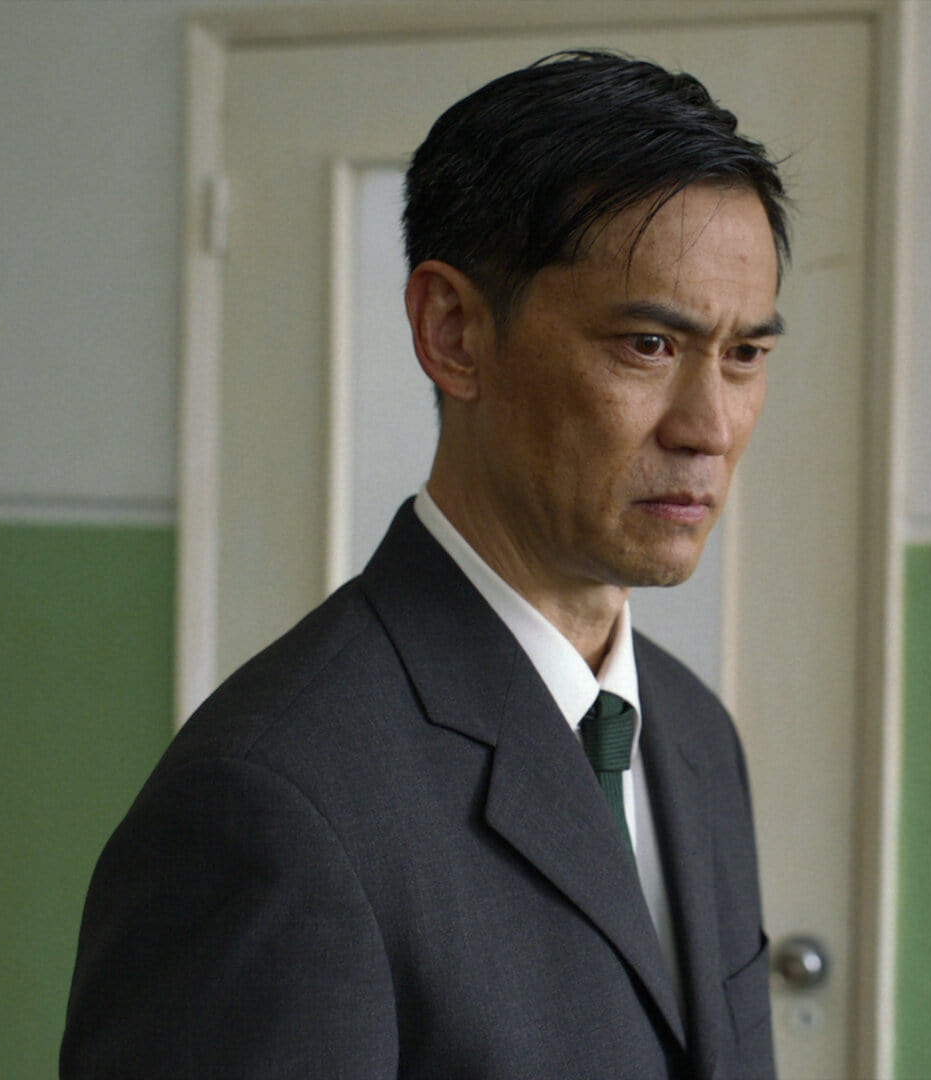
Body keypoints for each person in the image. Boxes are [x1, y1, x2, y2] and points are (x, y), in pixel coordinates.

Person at [60, 50, 788, 1079]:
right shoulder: (270, 805)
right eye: (647, 345)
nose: (710, 427)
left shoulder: (694, 736)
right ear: (453, 333)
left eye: (745, 354)